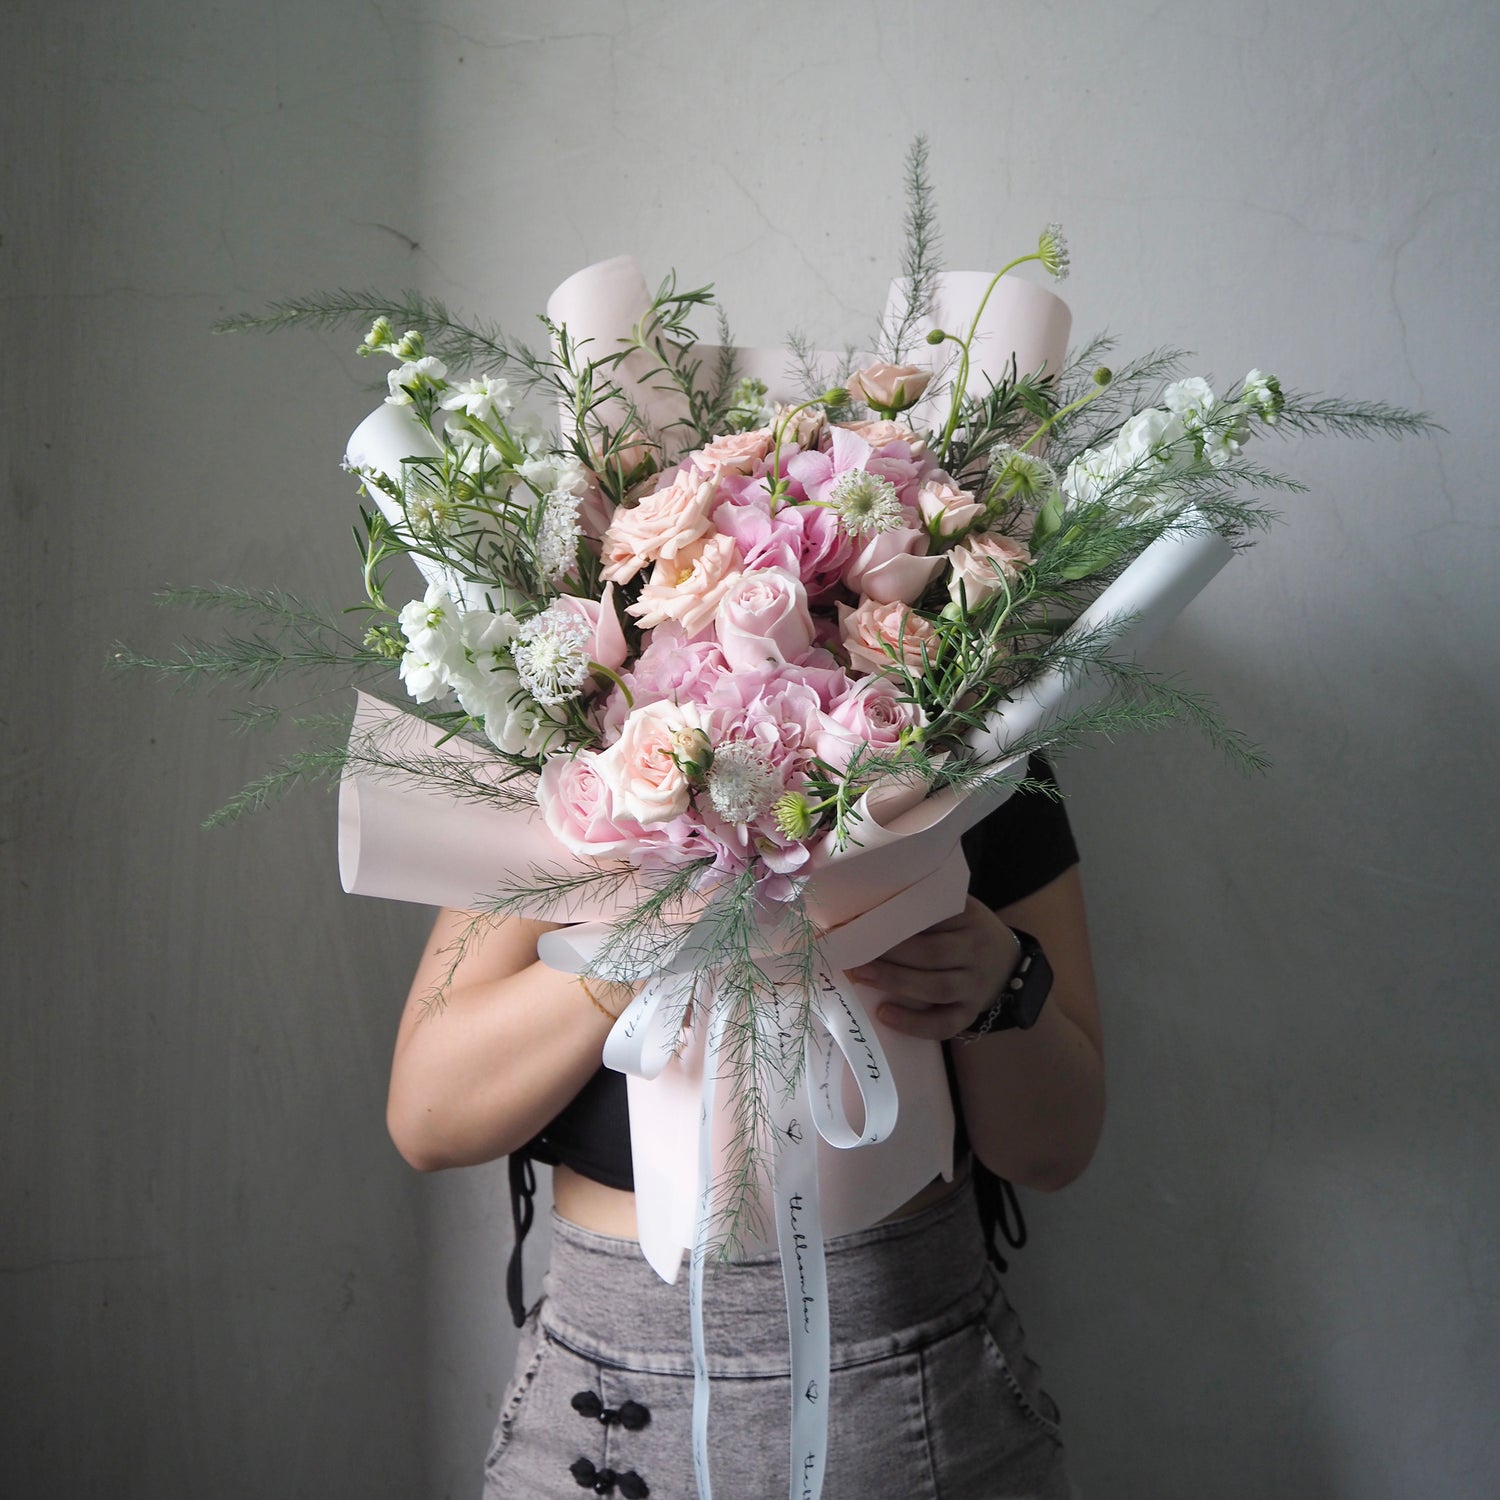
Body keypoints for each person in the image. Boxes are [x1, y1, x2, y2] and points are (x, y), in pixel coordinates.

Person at [387, 758, 1104, 1499]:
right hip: (612, 1391)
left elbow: (1053, 1151)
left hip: (918, 1384)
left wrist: (1005, 984)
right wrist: (661, 924)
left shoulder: (976, 737)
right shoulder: (572, 762)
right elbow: (429, 1120)